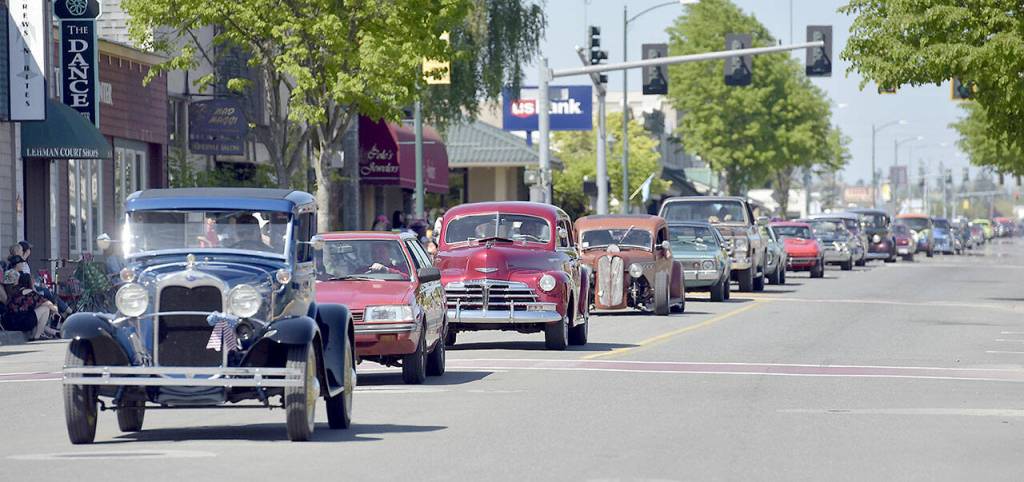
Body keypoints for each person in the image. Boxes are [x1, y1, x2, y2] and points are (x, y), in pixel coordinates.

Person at [2, 272, 59, 340]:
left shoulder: (15, 291)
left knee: (37, 310)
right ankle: (37, 336)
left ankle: (49, 333)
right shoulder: (29, 292)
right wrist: (55, 309)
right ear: (29, 282)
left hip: (8, 323)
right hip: (21, 323)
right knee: (45, 308)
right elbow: (45, 302)